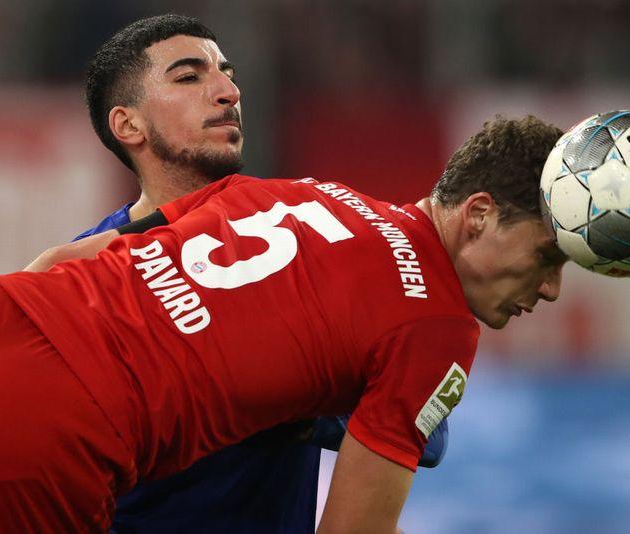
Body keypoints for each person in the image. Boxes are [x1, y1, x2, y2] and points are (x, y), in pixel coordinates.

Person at [0, 115, 567, 532]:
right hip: (61, 425)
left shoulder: (301, 190)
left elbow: (62, 261)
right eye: (547, 256)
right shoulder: (439, 326)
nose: (551, 289)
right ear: (478, 214)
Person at [75, 13, 447, 532]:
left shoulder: (309, 232)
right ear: (128, 126)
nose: (228, 91)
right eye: (190, 77)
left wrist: (289, 402)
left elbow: (429, 428)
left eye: (227, 74)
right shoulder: (88, 280)